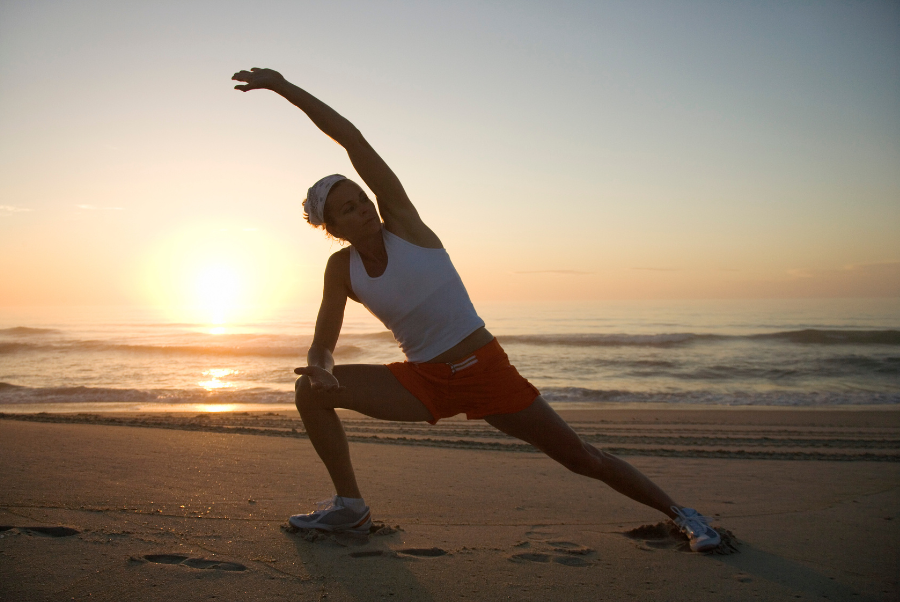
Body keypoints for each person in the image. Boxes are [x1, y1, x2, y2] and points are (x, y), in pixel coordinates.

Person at [232, 67, 721, 553]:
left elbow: (352, 140)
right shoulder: (341, 269)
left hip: (485, 369)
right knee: (307, 393)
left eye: (361, 198)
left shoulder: (403, 223)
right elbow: (323, 344)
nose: (364, 208)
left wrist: (283, 88)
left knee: (581, 458)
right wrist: (320, 370)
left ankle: (684, 515)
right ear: (333, 228)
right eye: (348, 208)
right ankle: (351, 509)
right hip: (424, 381)